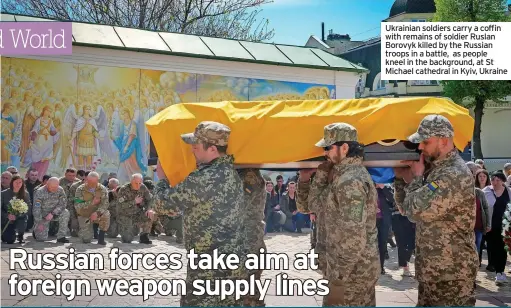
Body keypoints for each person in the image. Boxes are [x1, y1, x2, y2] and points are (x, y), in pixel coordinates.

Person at [154, 121, 246, 306]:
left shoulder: (205, 177)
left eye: (195, 147)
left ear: (212, 149)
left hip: (209, 268)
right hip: (231, 263)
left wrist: (162, 179)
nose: (192, 151)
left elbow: (162, 204)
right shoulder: (230, 172)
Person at [393, 114, 479, 306]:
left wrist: (415, 178)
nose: (421, 147)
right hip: (433, 271)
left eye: (426, 141)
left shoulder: (453, 174)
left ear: (444, 141)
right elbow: (405, 209)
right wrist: (400, 179)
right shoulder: (435, 169)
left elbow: (415, 212)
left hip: (451, 274)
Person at [298, 122, 379, 306]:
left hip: (351, 275)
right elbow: (313, 206)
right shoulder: (340, 176)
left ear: (344, 148)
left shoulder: (350, 181)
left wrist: (338, 278)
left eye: (328, 147)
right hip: (346, 271)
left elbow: (354, 236)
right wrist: (318, 175)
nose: (325, 153)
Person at [237, 168, 266, 306]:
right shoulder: (242, 173)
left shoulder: (249, 175)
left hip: (249, 240)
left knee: (248, 290)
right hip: (247, 237)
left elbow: (237, 206)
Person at [483, 171, 511, 283]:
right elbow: (484, 209)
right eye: (493, 179)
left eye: (497, 180)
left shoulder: (509, 192)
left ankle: (500, 272)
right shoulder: (486, 191)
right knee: (493, 248)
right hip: (491, 226)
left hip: (506, 226)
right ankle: (496, 269)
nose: (495, 182)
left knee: (503, 248)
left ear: (503, 181)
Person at [117, 174, 154, 244]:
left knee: (151, 214)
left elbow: (150, 199)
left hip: (137, 213)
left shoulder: (143, 187)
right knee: (127, 240)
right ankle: (126, 229)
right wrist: (134, 201)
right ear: (131, 182)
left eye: (139, 183)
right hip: (125, 215)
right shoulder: (123, 189)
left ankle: (144, 236)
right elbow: (120, 206)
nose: (138, 185)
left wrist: (149, 209)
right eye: (135, 183)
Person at [74, 172, 110, 245]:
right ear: (87, 179)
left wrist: (97, 213)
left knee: (106, 214)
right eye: (90, 181)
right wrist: (92, 203)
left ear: (98, 180)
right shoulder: (80, 189)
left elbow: (105, 204)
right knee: (86, 239)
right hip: (84, 214)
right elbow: (77, 205)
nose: (92, 184)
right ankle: (84, 230)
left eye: (94, 182)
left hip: (97, 214)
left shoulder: (102, 189)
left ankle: (101, 237)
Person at [32, 177, 70, 243]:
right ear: (47, 184)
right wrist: (39, 222)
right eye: (52, 187)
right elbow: (36, 209)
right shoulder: (39, 191)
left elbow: (63, 204)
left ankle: (61, 236)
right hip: (43, 215)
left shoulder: (60, 190)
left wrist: (53, 213)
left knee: (66, 212)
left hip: (55, 213)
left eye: (56, 187)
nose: (54, 189)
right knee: (41, 239)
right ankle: (36, 230)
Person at [1, 174, 30, 244]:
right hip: (7, 219)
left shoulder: (25, 194)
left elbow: (28, 207)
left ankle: (20, 235)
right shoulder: (3, 193)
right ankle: (4, 234)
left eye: (20, 182)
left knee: (22, 223)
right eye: (16, 182)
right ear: (12, 183)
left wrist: (17, 215)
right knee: (9, 240)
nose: (18, 184)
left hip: (20, 217)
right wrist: (7, 215)